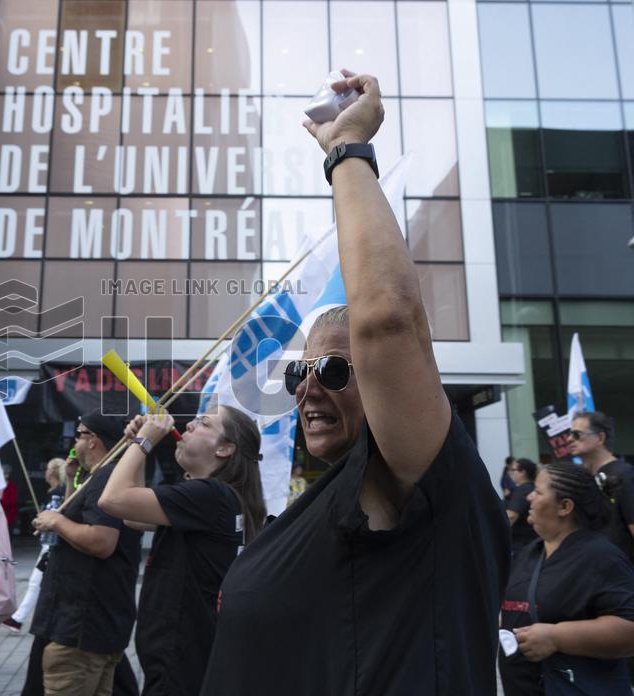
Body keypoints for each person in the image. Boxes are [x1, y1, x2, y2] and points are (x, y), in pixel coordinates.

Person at [199, 72, 510, 695]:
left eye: (336, 370)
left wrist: (347, 151)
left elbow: (388, 319)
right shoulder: (335, 486)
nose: (308, 389)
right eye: (299, 371)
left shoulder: (420, 483)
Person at [99, 406, 266, 696]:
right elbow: (133, 516)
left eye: (203, 423)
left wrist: (143, 442)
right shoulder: (216, 496)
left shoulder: (209, 495)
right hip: (187, 653)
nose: (189, 425)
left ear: (225, 449)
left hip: (180, 656)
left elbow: (112, 500)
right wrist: (137, 445)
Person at [29, 412, 142, 696]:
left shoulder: (106, 476)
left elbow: (101, 540)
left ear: (93, 441)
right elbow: (81, 520)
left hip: (80, 630)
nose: (75, 441)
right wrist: (70, 480)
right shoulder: (97, 477)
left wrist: (55, 520)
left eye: (79, 434)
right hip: (85, 628)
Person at [499, 463, 634, 694]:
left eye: (539, 492)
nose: (529, 496)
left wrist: (556, 637)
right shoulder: (531, 552)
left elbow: (629, 628)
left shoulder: (600, 556)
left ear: (564, 506)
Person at [4, 457, 68, 632]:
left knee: (36, 583)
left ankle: (18, 619)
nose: (45, 472)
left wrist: (40, 522)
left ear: (53, 472)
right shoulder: (55, 492)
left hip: (51, 546)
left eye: (48, 468)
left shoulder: (58, 494)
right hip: (49, 545)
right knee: (37, 583)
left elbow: (53, 519)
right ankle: (18, 619)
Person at [570, 411, 634, 563]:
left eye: (577, 434)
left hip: (622, 575)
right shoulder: (584, 478)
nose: (569, 439)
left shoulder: (626, 475)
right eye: (570, 434)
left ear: (600, 438)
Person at [506, 458, 539, 554]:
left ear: (523, 472)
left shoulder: (522, 489)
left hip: (520, 545)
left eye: (513, 470)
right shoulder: (533, 487)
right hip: (530, 541)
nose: (510, 473)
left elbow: (511, 516)